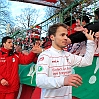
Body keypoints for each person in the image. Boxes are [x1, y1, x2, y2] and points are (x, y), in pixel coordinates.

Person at [36, 23, 95, 99]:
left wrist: (90, 42)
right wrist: (64, 80)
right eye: (62, 35)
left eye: (66, 35)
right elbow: (40, 81)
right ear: (52, 37)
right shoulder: (45, 56)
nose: (66, 38)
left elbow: (87, 61)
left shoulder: (68, 55)